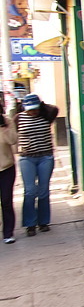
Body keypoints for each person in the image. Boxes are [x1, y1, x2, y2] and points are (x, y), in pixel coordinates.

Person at [16, 94, 59, 237]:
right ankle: (30, 224)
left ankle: (43, 222)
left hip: (45, 157)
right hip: (27, 158)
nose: (32, 112)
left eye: (35, 109)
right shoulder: (19, 118)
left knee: (43, 190)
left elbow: (55, 109)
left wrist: (42, 105)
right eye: (29, 109)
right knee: (29, 191)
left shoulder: (47, 115)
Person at [0, 102, 18, 243]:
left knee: (6, 200)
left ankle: (8, 233)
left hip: (6, 168)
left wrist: (4, 127)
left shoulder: (7, 122)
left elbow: (13, 140)